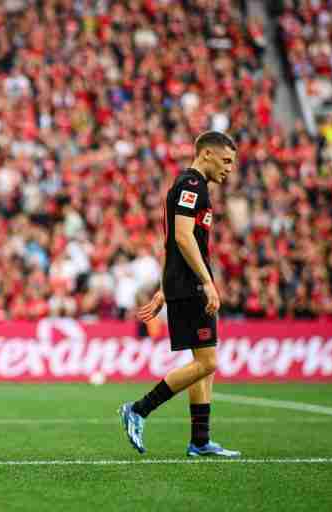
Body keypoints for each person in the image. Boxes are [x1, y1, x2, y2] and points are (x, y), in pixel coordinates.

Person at [119, 131, 241, 457]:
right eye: (226, 160)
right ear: (206, 155)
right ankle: (139, 409)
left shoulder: (189, 186)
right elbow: (184, 239)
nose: (230, 168)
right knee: (207, 361)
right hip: (191, 286)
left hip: (182, 283)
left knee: (204, 360)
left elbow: (171, 244)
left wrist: (162, 289)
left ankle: (200, 441)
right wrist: (207, 282)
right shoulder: (192, 185)